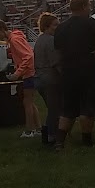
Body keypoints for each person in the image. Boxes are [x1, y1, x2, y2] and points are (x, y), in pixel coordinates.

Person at [54, 0, 95, 149]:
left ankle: (59, 142)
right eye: (89, 6)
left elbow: (58, 52)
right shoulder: (89, 23)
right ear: (84, 7)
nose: (90, 9)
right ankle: (87, 141)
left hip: (68, 72)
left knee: (67, 109)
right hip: (88, 72)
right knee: (87, 108)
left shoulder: (61, 27)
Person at [0, 21, 40, 138]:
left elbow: (28, 56)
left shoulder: (14, 40)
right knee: (31, 102)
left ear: (1, 29)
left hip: (29, 73)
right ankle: (38, 128)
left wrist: (17, 73)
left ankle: (30, 130)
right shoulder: (15, 38)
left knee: (27, 102)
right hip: (30, 72)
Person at [33, 12, 63, 149]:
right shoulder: (50, 40)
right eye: (55, 25)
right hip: (50, 79)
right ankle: (52, 136)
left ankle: (46, 134)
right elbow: (55, 62)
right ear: (47, 26)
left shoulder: (39, 40)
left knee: (51, 108)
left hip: (39, 78)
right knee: (55, 110)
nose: (58, 27)